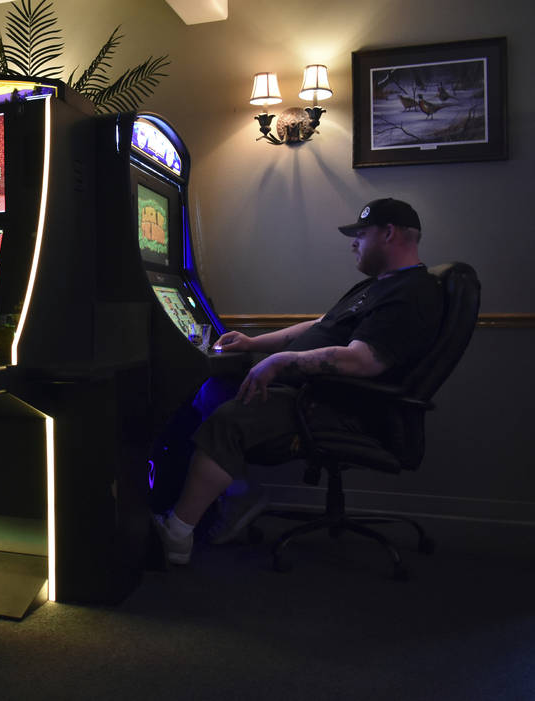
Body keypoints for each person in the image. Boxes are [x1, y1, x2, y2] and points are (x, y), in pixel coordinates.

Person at [153, 198, 445, 565]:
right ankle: (240, 494)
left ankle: (177, 535)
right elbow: (319, 327)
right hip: (311, 393)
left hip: (337, 405)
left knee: (229, 419)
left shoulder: (412, 293)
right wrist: (255, 344)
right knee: (216, 390)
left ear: (388, 233)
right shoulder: (377, 286)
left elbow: (362, 361)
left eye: (361, 234)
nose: (353, 242)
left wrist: (281, 361)